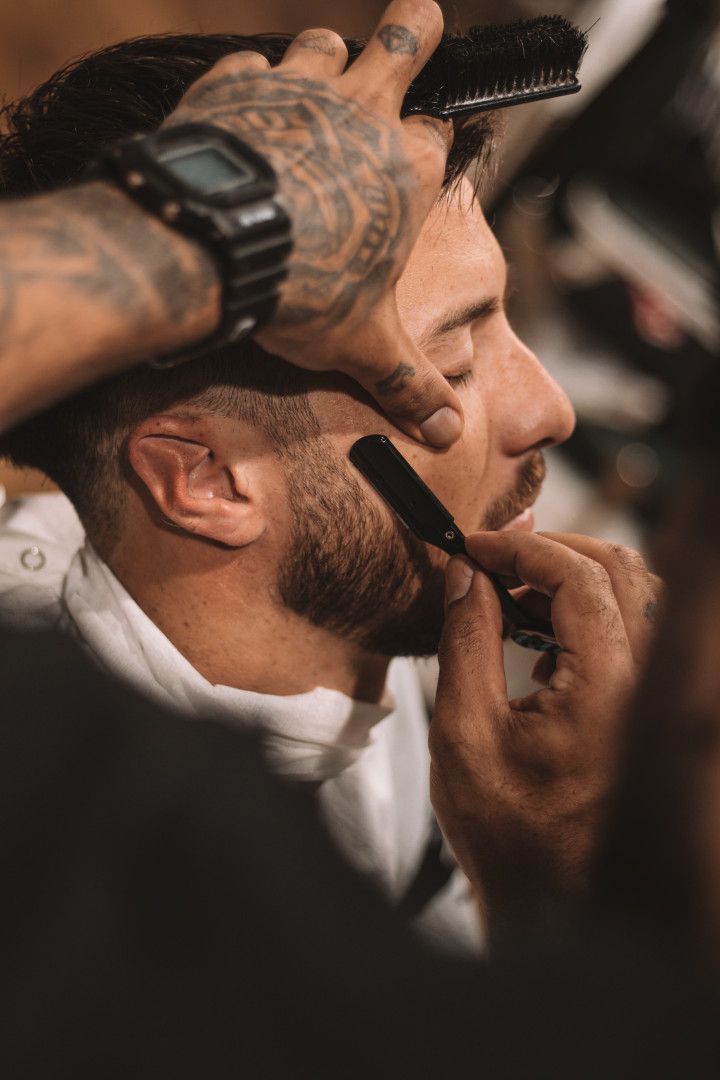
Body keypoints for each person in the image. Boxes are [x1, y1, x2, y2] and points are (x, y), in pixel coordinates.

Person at [0, 9, 662, 951]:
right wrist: (560, 901)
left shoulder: (370, 631)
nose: (551, 409)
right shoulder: (104, 919)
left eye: (504, 319)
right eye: (456, 366)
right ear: (208, 480)